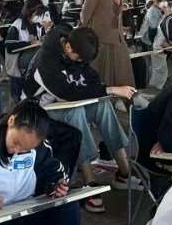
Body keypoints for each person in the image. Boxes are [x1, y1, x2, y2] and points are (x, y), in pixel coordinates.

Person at [22, 25, 139, 213]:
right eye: (78, 59)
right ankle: (89, 181)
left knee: (103, 104)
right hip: (37, 110)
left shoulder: (76, 47)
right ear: (68, 48)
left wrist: (104, 90)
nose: (80, 63)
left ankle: (124, 172)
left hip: (64, 102)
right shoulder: (46, 60)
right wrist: (110, 89)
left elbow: (91, 80)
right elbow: (67, 93)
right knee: (75, 111)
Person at [80, 0, 135, 88]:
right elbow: (85, 16)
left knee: (123, 78)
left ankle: (124, 99)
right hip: (101, 41)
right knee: (103, 81)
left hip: (118, 38)